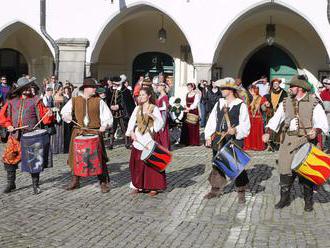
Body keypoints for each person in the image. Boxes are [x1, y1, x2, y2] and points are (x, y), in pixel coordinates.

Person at [262, 75, 328, 211]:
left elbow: (322, 122)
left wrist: (316, 130)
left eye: (291, 86)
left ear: (300, 88)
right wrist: (268, 131)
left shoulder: (313, 102)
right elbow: (276, 118)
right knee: (285, 171)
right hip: (288, 141)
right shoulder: (285, 102)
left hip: (306, 141)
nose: (289, 88)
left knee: (307, 173)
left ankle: (308, 201)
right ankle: (284, 199)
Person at [0, 77, 54, 194]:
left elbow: (45, 119)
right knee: (9, 159)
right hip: (15, 136)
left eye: (30, 86)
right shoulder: (11, 101)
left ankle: (35, 185)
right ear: (20, 89)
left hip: (31, 136)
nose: (29, 89)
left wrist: (49, 114)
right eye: (26, 87)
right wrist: (8, 125)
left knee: (33, 160)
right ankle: (11, 183)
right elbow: (3, 116)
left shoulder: (35, 100)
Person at [61, 78, 113, 193]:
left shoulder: (99, 101)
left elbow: (108, 117)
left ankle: (103, 182)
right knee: (75, 157)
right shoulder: (74, 100)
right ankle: (75, 181)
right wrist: (67, 116)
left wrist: (105, 125)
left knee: (99, 157)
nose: (95, 89)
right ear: (86, 88)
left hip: (94, 132)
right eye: (93, 87)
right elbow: (64, 112)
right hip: (78, 132)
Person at [204, 78, 250, 203]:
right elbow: (212, 120)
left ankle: (241, 191)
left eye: (223, 88)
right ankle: (215, 189)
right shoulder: (220, 103)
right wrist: (208, 135)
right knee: (217, 164)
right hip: (219, 138)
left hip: (233, 139)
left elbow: (246, 125)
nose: (221, 90)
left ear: (230, 90)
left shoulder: (241, 105)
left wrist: (236, 130)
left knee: (236, 166)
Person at [125, 87, 165, 196]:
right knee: (137, 163)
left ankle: (153, 186)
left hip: (149, 137)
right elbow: (131, 122)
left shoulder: (154, 108)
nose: (141, 97)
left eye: (143, 95)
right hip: (138, 137)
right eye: (139, 95)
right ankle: (137, 185)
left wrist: (152, 115)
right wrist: (131, 132)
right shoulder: (137, 108)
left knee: (151, 163)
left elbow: (160, 124)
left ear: (149, 96)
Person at [107, 75, 135, 149]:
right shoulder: (110, 90)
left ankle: (127, 143)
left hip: (122, 113)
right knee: (112, 128)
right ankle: (111, 144)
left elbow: (128, 103)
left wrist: (119, 106)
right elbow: (107, 101)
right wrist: (110, 106)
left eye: (115, 84)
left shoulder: (125, 91)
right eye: (113, 84)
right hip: (112, 113)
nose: (114, 86)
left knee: (124, 128)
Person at [262, 78, 287, 151]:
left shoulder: (283, 93)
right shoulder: (270, 92)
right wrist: (266, 103)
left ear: (279, 84)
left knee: (279, 129)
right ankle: (269, 145)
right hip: (271, 113)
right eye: (273, 84)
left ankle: (278, 145)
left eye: (276, 84)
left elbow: (286, 102)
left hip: (280, 113)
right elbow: (265, 99)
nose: (275, 85)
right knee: (269, 128)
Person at [243, 85, 266, 151]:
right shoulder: (247, 98)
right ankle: (249, 146)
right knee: (249, 132)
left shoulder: (260, 98)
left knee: (257, 133)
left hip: (257, 119)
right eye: (249, 90)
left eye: (251, 89)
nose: (250, 91)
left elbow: (263, 109)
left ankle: (257, 146)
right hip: (249, 118)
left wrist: (265, 105)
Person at [154, 81, 170, 150]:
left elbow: (165, 107)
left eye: (158, 87)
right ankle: (159, 145)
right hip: (158, 114)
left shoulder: (165, 96)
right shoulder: (160, 96)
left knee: (162, 129)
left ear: (162, 88)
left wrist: (157, 108)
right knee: (158, 129)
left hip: (162, 115)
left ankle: (164, 146)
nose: (157, 88)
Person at [51, 84, 65, 154]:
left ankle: (60, 148)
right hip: (55, 116)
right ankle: (54, 148)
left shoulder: (63, 97)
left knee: (61, 132)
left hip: (61, 116)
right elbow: (49, 106)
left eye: (62, 90)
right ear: (57, 90)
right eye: (61, 90)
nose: (62, 91)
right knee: (55, 132)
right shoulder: (53, 97)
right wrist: (53, 109)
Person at [63, 85, 73, 153]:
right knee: (66, 132)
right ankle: (66, 147)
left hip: (70, 115)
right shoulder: (63, 97)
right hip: (65, 115)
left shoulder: (71, 97)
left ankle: (70, 146)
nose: (67, 91)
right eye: (66, 90)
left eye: (68, 90)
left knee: (70, 131)